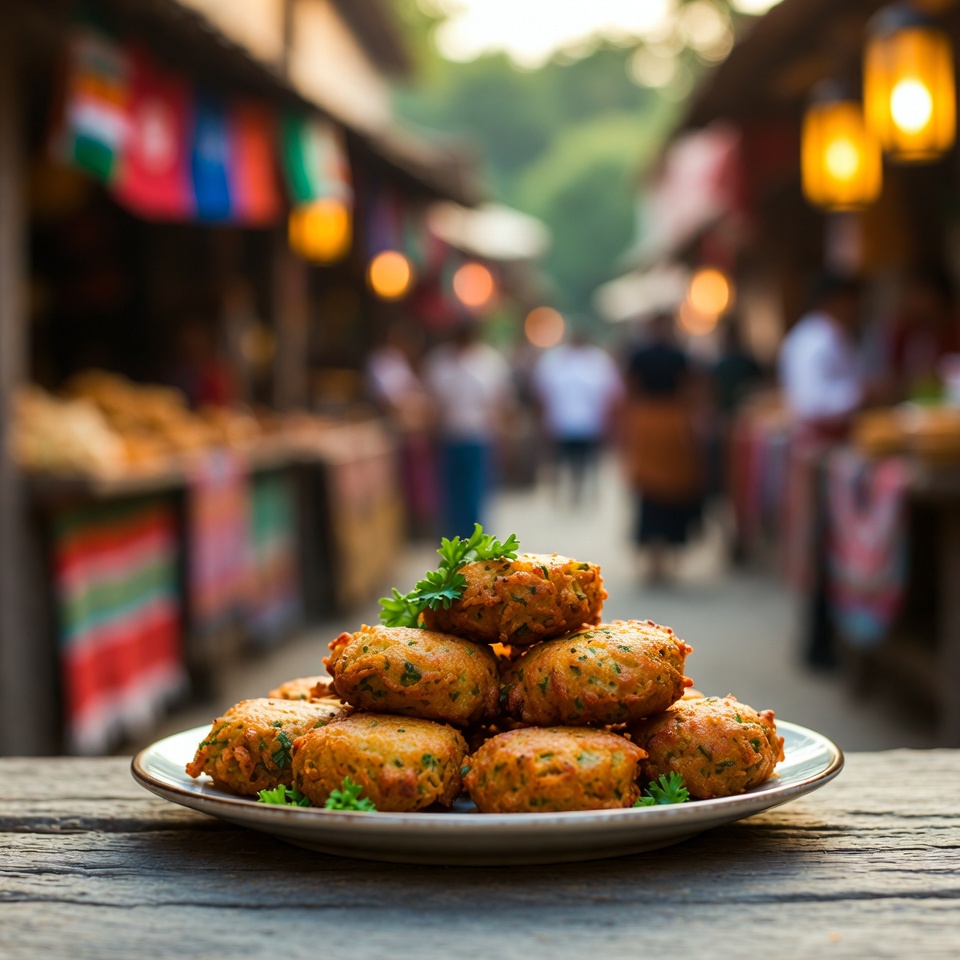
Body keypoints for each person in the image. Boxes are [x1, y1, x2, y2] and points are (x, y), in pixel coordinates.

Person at [619, 312, 704, 583]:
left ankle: (653, 560)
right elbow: (690, 390)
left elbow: (629, 390)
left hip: (647, 423)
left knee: (652, 490)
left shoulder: (640, 355)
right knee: (672, 490)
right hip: (672, 422)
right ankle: (668, 558)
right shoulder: (679, 355)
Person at [424, 320, 513, 539]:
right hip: (449, 436)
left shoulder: (489, 361)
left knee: (476, 493)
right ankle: (454, 541)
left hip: (478, 436)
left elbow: (499, 402)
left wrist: (501, 435)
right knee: (452, 495)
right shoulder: (439, 361)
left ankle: (476, 541)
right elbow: (433, 403)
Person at [531, 330, 624, 505]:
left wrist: (610, 421)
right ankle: (561, 495)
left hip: (590, 423)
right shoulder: (554, 360)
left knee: (586, 462)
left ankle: (582, 495)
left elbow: (612, 393)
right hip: (561, 423)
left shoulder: (598, 360)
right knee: (560, 462)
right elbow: (541, 392)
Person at [778, 272, 864, 440]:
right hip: (819, 438)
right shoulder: (818, 339)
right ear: (837, 301)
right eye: (852, 302)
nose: (857, 309)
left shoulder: (824, 333)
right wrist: (861, 393)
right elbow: (812, 402)